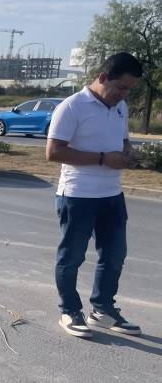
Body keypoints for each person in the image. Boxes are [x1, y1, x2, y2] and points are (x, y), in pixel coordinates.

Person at [46, 52, 143, 339]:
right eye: (121, 87)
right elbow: (53, 152)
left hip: (112, 194)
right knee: (73, 256)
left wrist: (128, 153)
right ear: (102, 78)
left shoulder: (120, 107)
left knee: (114, 255)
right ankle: (69, 310)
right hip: (78, 195)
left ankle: (102, 309)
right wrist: (103, 159)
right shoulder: (72, 107)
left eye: (129, 89)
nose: (124, 95)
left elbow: (122, 139)